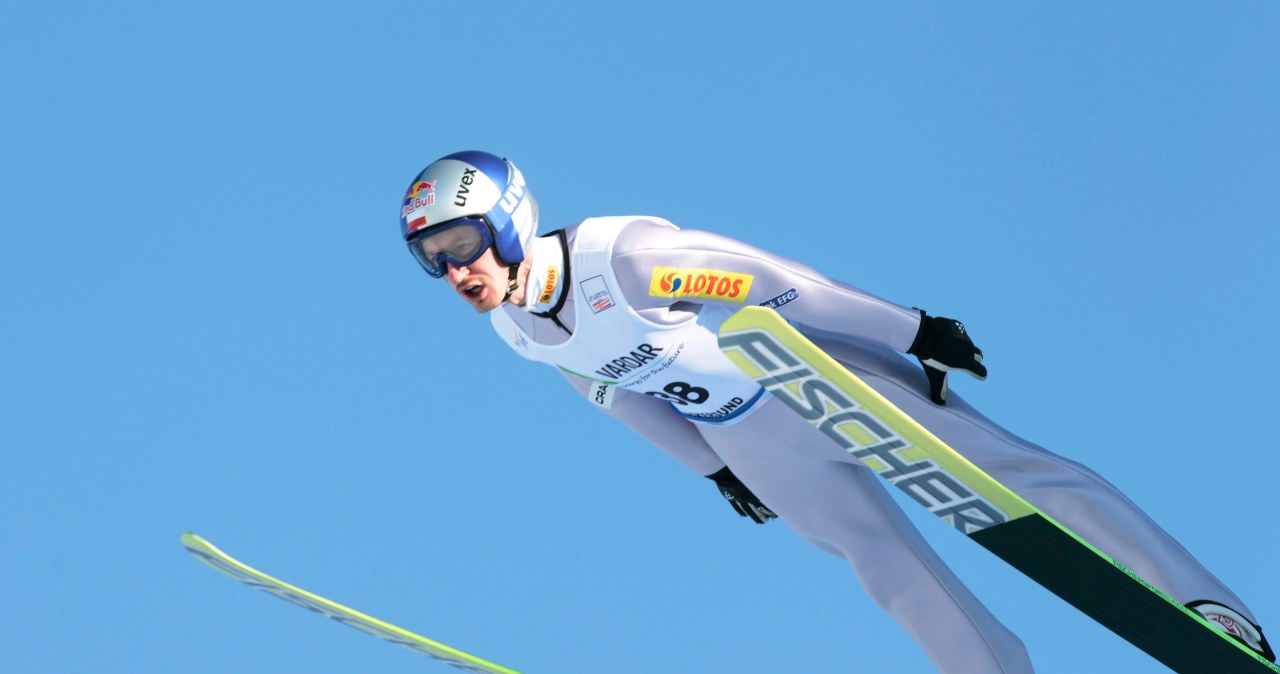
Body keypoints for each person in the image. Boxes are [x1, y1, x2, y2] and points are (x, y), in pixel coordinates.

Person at [398, 150, 1273, 673]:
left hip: (821, 382)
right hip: (754, 437)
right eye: (432, 260)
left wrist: (913, 327)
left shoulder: (625, 259)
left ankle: (1203, 609)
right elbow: (618, 398)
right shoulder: (517, 330)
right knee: (885, 566)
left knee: (1019, 474)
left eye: (462, 245)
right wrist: (716, 471)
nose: (456, 272)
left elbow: (779, 285)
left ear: (509, 223)